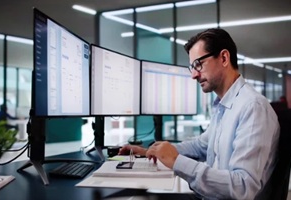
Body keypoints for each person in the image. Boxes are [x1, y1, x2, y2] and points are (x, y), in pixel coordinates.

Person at [119, 28, 280, 199]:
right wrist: (152, 151)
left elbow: (243, 187)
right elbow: (201, 146)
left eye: (199, 64)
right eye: (192, 67)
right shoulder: (225, 105)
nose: (194, 75)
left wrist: (177, 161)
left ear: (224, 58)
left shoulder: (252, 107)